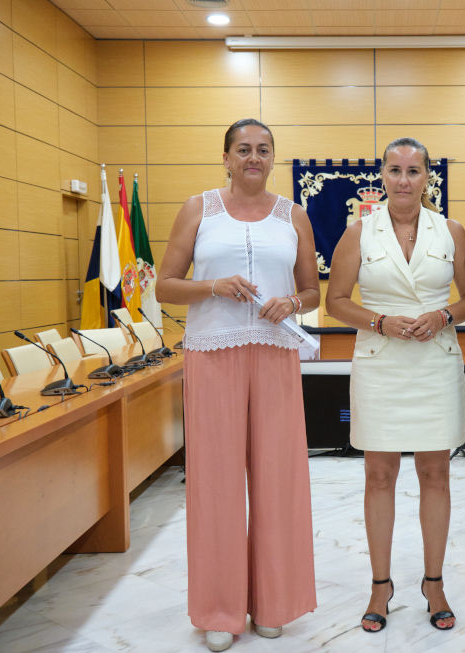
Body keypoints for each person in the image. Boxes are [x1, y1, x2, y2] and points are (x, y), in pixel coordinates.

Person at [156, 118, 319, 652]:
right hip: (212, 355)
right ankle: (220, 610)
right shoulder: (198, 209)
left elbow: (312, 291)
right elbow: (164, 286)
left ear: (273, 158)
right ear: (226, 157)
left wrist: (291, 302)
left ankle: (275, 602)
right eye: (243, 149)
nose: (254, 157)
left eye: (263, 149)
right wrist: (212, 285)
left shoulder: (293, 215)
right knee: (216, 483)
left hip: (275, 354)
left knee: (279, 479)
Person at [326, 137, 465, 633]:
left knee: (436, 474)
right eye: (395, 170)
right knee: (379, 476)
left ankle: (434, 583)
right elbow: (335, 300)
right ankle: (381, 585)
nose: (404, 180)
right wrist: (379, 321)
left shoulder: (451, 231)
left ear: (427, 176)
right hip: (381, 363)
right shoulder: (359, 232)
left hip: (435, 362)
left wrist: (442, 315)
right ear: (382, 176)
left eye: (414, 171)